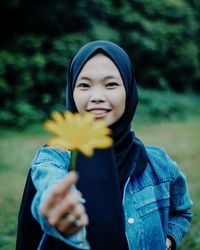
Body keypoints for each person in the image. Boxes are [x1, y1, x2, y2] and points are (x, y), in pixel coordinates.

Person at [18, 40, 192, 250]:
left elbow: (181, 212)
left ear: (128, 89)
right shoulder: (55, 157)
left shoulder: (158, 165)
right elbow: (49, 186)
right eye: (84, 85)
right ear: (71, 92)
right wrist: (55, 209)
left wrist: (169, 239)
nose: (97, 97)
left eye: (110, 84)